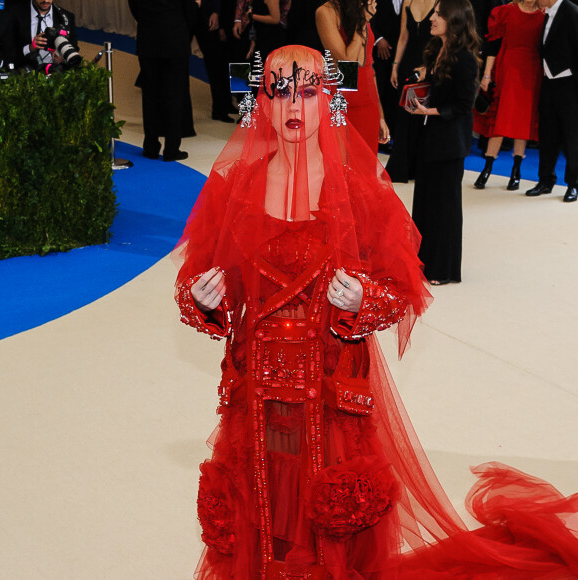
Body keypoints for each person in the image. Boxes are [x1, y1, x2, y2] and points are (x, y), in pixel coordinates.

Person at [174, 43, 578, 579]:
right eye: (279, 92)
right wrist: (206, 299)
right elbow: (201, 282)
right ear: (262, 104)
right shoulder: (233, 191)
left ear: (330, 101)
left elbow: (405, 287)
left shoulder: (360, 192)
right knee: (262, 508)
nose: (294, 105)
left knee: (330, 519)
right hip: (256, 391)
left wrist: (364, 300)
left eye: (309, 91)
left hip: (332, 391)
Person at [409, 0, 479, 286]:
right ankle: (422, 262)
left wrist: (431, 111)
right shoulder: (437, 49)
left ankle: (444, 269)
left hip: (450, 141)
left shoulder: (465, 58)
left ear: (454, 19)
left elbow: (464, 105)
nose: (432, 18)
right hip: (431, 137)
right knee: (425, 200)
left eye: (438, 14)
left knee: (445, 207)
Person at [473, 0, 544, 191]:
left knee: (523, 121)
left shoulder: (544, 14)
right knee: (501, 118)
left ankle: (516, 171)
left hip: (532, 72)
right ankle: (487, 168)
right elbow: (492, 46)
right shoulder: (504, 12)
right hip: (508, 69)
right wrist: (486, 75)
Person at [316, 0, 390, 152]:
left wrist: (380, 116)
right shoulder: (326, 11)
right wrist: (362, 23)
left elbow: (369, 68)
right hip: (341, 102)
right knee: (342, 168)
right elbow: (347, 60)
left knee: (366, 167)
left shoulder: (358, 10)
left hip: (367, 102)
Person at [128, 0, 195, 162]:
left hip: (148, 40)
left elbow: (134, 7)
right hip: (175, 39)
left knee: (150, 96)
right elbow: (190, 11)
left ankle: (150, 146)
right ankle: (171, 148)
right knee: (174, 97)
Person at [525, 0, 578, 202]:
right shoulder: (547, 13)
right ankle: (545, 181)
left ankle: (573, 184)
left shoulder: (571, 11)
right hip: (549, 82)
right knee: (547, 135)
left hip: (570, 85)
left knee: (573, 138)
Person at [385, 0, 435, 182]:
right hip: (408, 63)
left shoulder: (442, 2)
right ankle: (401, 167)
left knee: (424, 117)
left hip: (429, 64)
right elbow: (404, 35)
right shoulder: (409, 0)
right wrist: (395, 65)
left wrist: (433, 65)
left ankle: (420, 167)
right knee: (404, 114)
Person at [370, 0, 403, 150]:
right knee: (377, 90)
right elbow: (366, 18)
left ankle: (388, 135)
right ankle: (374, 133)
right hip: (372, 53)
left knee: (394, 93)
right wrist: (378, 39)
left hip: (399, 53)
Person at [10, 0, 78, 70]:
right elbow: (6, 50)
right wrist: (30, 48)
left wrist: (63, 57)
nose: (46, 0)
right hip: (24, 71)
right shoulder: (14, 14)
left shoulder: (67, 18)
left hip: (55, 71)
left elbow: (74, 47)